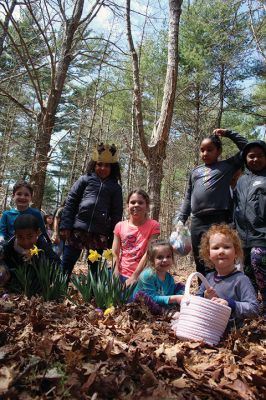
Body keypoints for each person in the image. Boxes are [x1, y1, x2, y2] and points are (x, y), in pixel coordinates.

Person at [177, 129, 247, 277]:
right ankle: (204, 293)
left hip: (219, 219)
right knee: (200, 259)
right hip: (197, 221)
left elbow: (246, 148)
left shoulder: (227, 166)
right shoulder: (195, 172)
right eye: (202, 150)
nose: (205, 153)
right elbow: (188, 197)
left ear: (218, 151)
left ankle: (223, 292)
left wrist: (228, 133)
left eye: (209, 150)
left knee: (220, 259)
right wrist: (180, 219)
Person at [60, 143, 123, 277]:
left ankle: (93, 295)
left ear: (113, 168)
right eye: (99, 164)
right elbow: (71, 201)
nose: (103, 168)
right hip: (78, 229)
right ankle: (59, 291)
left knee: (95, 268)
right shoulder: (84, 180)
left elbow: (116, 213)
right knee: (68, 261)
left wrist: (113, 235)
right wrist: (65, 225)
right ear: (94, 164)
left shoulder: (115, 188)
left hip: (99, 233)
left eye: (107, 165)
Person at [197, 224, 259, 326]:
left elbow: (254, 309)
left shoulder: (241, 279)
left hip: (232, 332)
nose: (221, 251)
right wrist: (205, 298)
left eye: (226, 247)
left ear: (236, 252)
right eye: (216, 248)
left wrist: (230, 304)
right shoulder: (208, 278)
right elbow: (196, 302)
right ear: (208, 254)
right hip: (209, 329)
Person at [233, 140, 266, 315]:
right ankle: (252, 308)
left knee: (258, 260)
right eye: (251, 156)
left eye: (260, 156)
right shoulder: (242, 180)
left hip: (262, 235)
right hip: (242, 236)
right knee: (246, 273)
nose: (255, 159)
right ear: (245, 158)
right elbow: (236, 205)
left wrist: (230, 134)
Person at [112, 189, 160, 286]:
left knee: (135, 299)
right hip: (121, 273)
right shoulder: (119, 226)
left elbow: (149, 253)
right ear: (127, 206)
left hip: (143, 275)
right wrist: (115, 272)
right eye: (132, 202)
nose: (136, 205)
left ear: (147, 207)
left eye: (140, 202)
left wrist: (135, 276)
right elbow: (115, 252)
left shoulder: (153, 225)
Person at [2, 214, 60, 286]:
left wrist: (37, 260)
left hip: (37, 286)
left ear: (38, 232)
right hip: (15, 285)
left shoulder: (42, 245)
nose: (25, 242)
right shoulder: (9, 246)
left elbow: (57, 264)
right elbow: (4, 262)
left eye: (30, 237)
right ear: (15, 234)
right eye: (20, 237)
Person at [133, 239, 184, 308]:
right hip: (143, 307)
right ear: (151, 260)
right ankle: (166, 312)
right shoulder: (148, 276)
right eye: (160, 257)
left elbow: (168, 296)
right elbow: (151, 298)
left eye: (168, 256)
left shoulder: (169, 278)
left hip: (159, 305)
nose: (165, 260)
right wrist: (175, 298)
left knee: (181, 289)